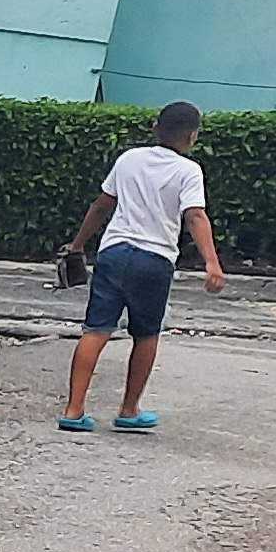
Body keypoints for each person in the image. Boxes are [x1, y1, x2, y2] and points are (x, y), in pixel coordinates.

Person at [57, 100, 224, 432]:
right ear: (192, 137)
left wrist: (77, 245)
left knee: (96, 329)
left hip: (114, 252)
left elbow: (102, 206)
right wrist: (211, 262)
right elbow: (195, 215)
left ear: (154, 128)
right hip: (154, 259)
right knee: (146, 334)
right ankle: (129, 409)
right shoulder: (188, 171)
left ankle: (73, 410)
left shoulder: (128, 159)